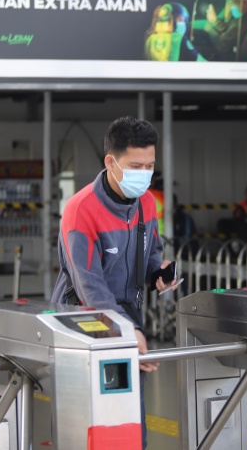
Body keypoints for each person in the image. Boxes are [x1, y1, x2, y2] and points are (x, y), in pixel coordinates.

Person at [51, 116, 176, 449]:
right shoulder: (80, 210)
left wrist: (157, 275)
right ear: (111, 161)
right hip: (85, 326)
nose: (144, 174)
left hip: (128, 322)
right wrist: (126, 332)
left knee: (130, 424)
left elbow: (150, 254)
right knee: (93, 427)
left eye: (150, 166)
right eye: (136, 165)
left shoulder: (145, 202)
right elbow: (88, 284)